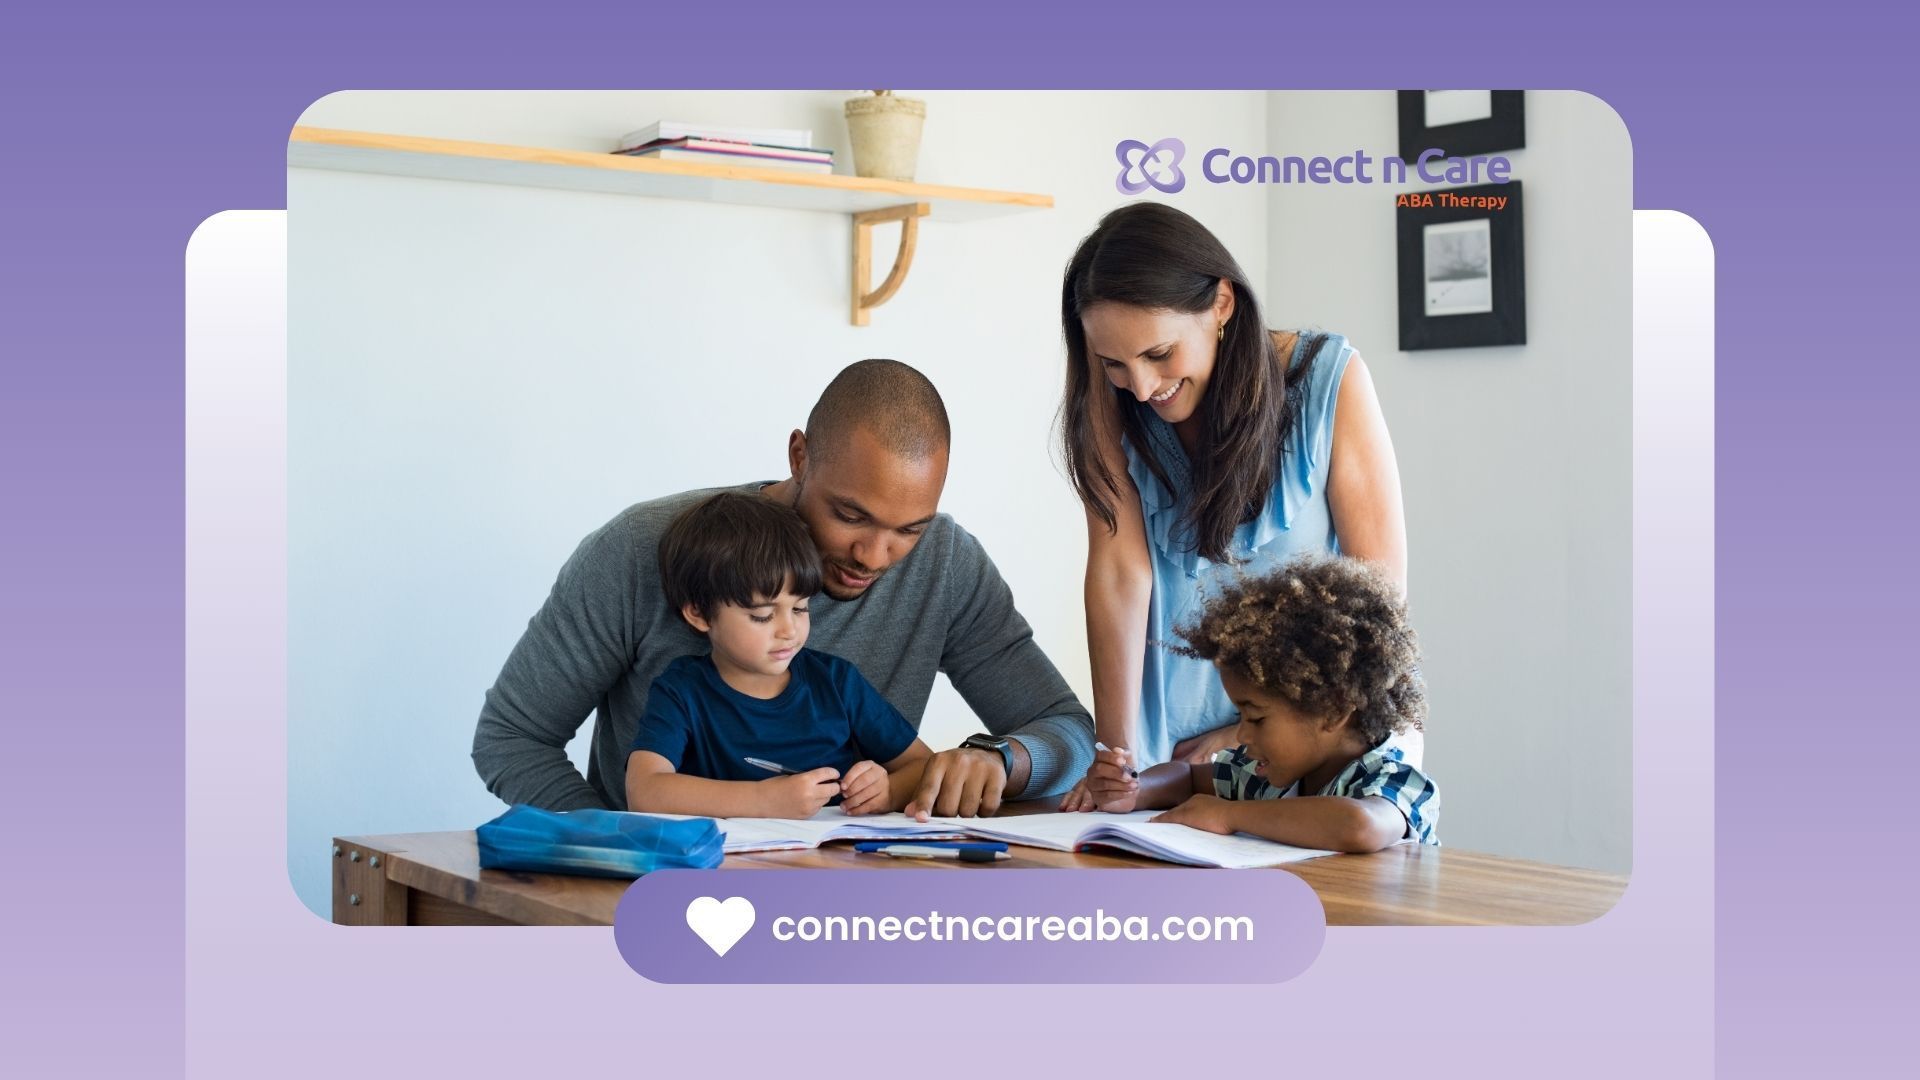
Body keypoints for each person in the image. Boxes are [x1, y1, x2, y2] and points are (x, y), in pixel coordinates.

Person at [473, 359, 1094, 817]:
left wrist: (1002, 760)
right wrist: (616, 848)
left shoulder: (946, 564)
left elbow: (1066, 729)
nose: (875, 556)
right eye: (850, 516)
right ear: (800, 455)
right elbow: (511, 738)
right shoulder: (641, 550)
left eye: (908, 529)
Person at [1055, 202, 1410, 811]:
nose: (1141, 387)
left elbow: (1377, 602)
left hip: (1312, 751)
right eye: (1114, 363)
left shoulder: (1331, 380)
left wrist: (1243, 735)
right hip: (1165, 759)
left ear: (1222, 304)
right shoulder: (1111, 404)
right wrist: (1116, 757)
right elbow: (1119, 574)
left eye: (1159, 354)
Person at [1083, 557, 1438, 851]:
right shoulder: (1268, 774)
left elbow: (1359, 826)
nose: (1241, 734)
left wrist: (1228, 815)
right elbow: (1188, 778)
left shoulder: (1392, 776)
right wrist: (1135, 790)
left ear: (1333, 711)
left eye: (1255, 718)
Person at [624, 493, 933, 818]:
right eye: (762, 615)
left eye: (800, 608)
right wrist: (762, 800)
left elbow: (923, 765)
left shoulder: (836, 682)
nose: (789, 630)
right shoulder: (681, 690)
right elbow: (644, 791)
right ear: (699, 614)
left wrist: (888, 791)